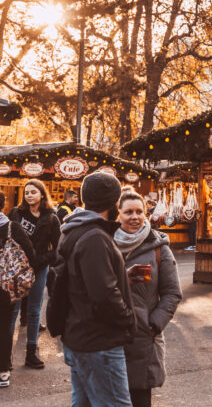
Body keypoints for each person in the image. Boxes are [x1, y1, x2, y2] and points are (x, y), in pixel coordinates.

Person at [57, 172, 137, 406]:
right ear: (112, 203)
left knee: (82, 402)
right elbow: (103, 295)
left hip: (80, 336)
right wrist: (128, 320)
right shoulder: (95, 237)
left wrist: (121, 276)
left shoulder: (75, 230)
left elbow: (84, 281)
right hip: (99, 341)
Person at [114, 189, 182, 407]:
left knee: (140, 398)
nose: (134, 217)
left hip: (143, 337)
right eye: (128, 212)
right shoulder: (106, 243)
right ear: (118, 214)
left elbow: (172, 292)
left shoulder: (159, 247)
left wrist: (154, 324)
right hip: (110, 334)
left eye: (139, 211)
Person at [9, 179, 61, 369]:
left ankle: (31, 352)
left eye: (33, 192)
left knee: (34, 311)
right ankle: (6, 356)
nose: (29, 195)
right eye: (27, 192)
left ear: (41, 194)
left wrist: (41, 261)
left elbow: (58, 247)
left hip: (39, 268)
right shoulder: (16, 213)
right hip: (16, 268)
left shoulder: (51, 218)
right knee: (12, 310)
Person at [0, 192, 35, 388]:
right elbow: (31, 254)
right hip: (6, 287)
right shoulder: (12, 227)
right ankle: (3, 371)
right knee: (4, 328)